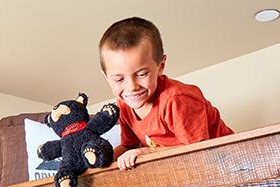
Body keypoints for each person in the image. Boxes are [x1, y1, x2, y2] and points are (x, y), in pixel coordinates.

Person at [99, 17, 234, 171]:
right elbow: (128, 145)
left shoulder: (176, 99)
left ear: (160, 66)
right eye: (119, 79)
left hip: (226, 159)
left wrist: (147, 152)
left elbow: (197, 150)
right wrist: (100, 162)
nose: (132, 87)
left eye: (142, 74)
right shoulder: (123, 104)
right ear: (107, 77)